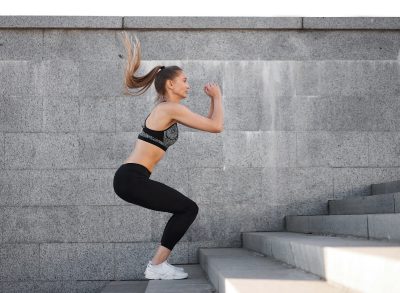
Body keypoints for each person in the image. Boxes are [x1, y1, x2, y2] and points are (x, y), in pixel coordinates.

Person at [113, 32, 224, 280]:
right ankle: (156, 266)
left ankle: (159, 264)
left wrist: (213, 102)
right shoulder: (170, 108)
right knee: (188, 209)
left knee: (185, 208)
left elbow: (208, 123)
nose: (188, 84)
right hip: (131, 178)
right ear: (171, 84)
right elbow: (217, 126)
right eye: (184, 80)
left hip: (131, 177)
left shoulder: (168, 109)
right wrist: (217, 97)